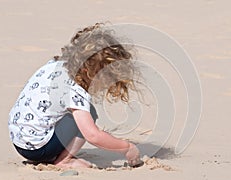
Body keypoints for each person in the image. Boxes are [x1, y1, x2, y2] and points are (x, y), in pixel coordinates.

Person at [8, 23, 142, 169]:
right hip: (37, 149)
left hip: (17, 137)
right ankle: (64, 160)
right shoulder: (75, 91)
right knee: (89, 113)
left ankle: (54, 150)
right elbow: (93, 136)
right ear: (87, 72)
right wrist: (126, 148)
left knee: (68, 112)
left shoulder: (55, 64)